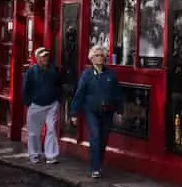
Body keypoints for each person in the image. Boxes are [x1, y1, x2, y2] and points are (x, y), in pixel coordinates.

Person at [70, 45, 120, 178]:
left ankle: (99, 163)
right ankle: (95, 168)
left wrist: (120, 109)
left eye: (102, 56)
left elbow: (117, 93)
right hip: (91, 111)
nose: (100, 58)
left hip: (107, 111)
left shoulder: (110, 75)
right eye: (97, 55)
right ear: (91, 58)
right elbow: (79, 94)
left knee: (103, 139)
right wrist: (74, 113)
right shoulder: (86, 75)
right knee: (95, 136)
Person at [23, 47, 63, 165]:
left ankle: (51, 155)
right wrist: (29, 103)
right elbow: (26, 89)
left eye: (46, 55)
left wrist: (58, 100)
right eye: (43, 56)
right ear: (37, 58)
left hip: (52, 104)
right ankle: (34, 154)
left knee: (51, 129)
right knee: (34, 132)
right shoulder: (31, 72)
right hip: (36, 105)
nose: (45, 58)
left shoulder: (54, 70)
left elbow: (59, 85)